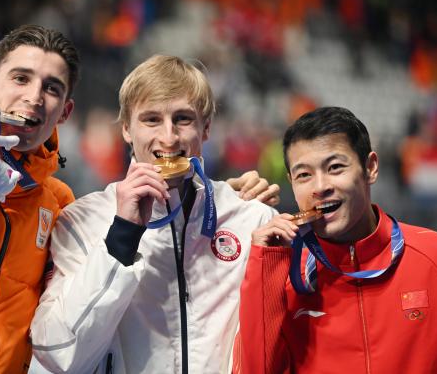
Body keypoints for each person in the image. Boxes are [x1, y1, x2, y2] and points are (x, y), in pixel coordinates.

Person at [0, 25, 279, 373]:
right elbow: (61, 352)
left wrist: (228, 200)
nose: (33, 97)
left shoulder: (56, 203)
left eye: (51, 87)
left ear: (64, 112)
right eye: (21, 78)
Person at [29, 55, 278, 373]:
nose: (169, 137)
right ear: (127, 130)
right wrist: (122, 236)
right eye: (151, 120)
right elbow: (58, 353)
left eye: (183, 119)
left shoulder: (251, 219)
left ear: (206, 129)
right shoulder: (82, 221)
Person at [236, 106, 437, 373]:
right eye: (304, 175)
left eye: (335, 167)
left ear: (370, 168)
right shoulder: (282, 279)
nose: (320, 187)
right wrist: (266, 266)